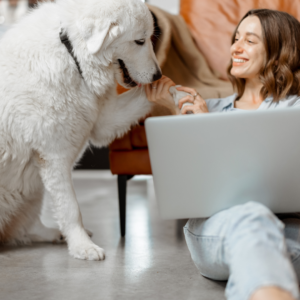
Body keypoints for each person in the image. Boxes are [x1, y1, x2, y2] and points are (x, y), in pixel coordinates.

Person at [145, 9, 300, 300]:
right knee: (252, 216)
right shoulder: (206, 110)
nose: (235, 48)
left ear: (279, 50)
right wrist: (194, 121)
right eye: (236, 38)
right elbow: (192, 195)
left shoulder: (294, 111)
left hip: (289, 235)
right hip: (218, 232)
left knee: (259, 248)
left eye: (250, 40)